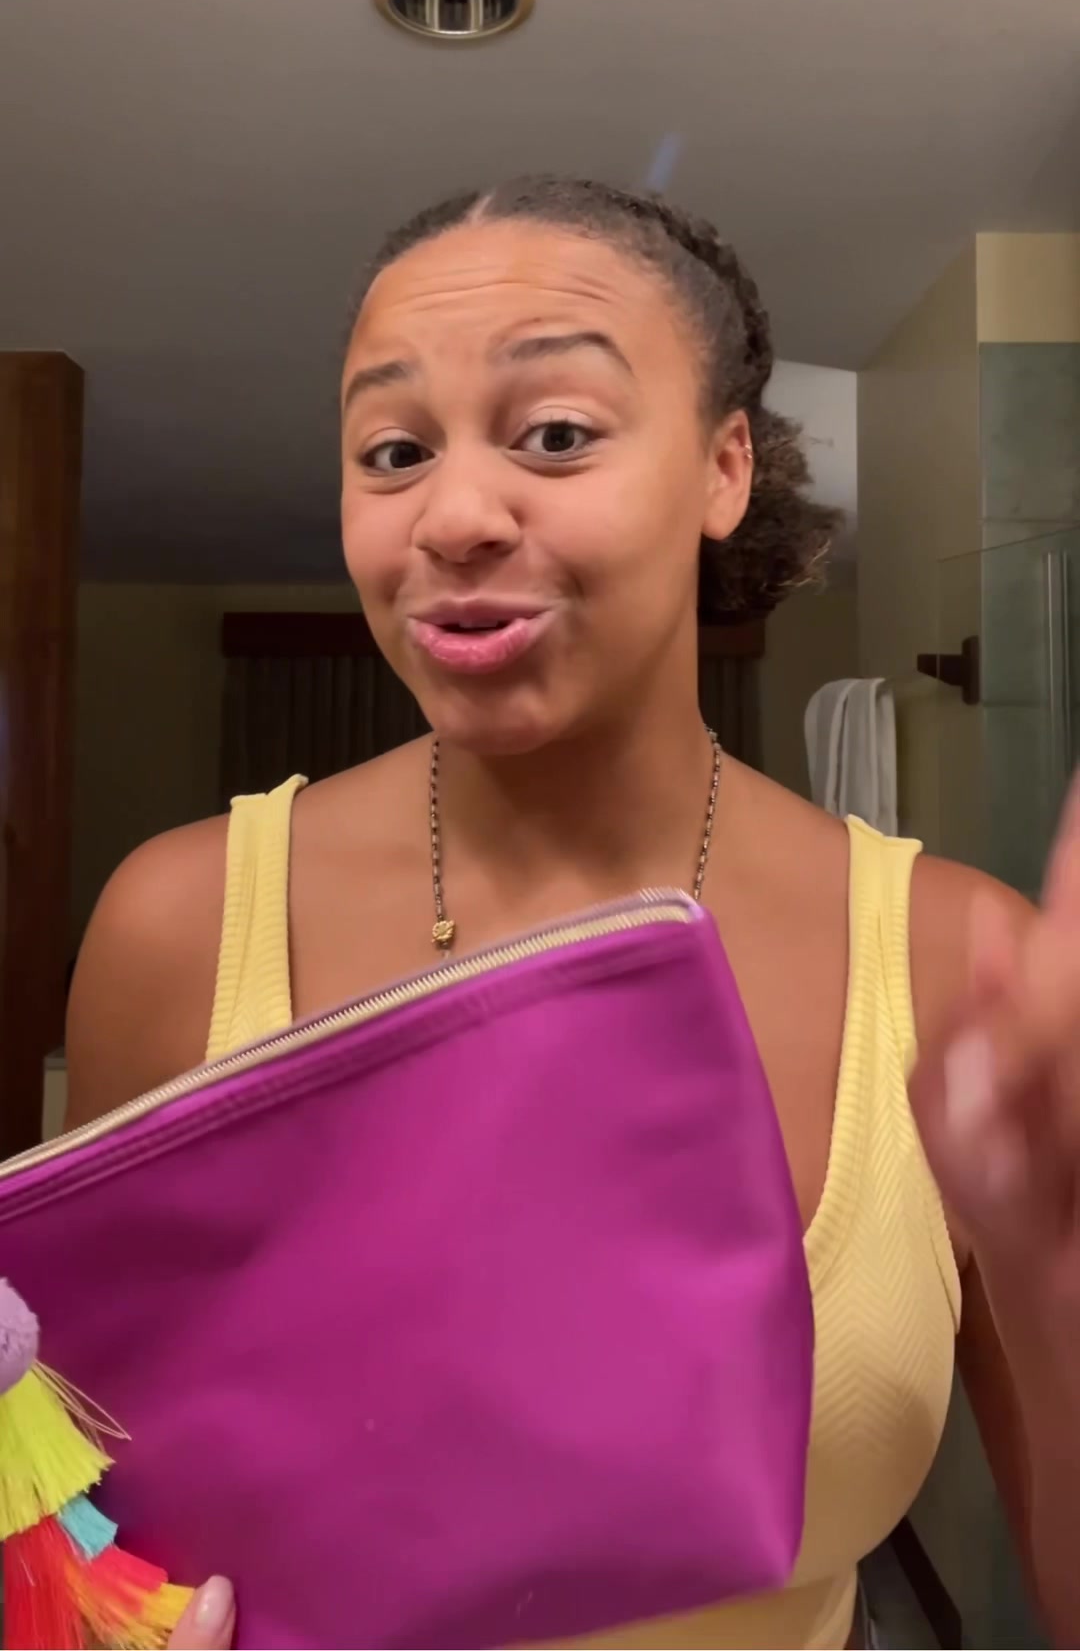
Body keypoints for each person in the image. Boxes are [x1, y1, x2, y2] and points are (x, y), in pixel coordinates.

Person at [67, 178, 1080, 1651]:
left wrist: (1053, 1270)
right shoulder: (179, 926)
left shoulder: (950, 961)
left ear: (724, 467)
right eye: (394, 451)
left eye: (555, 434)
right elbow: (80, 1518)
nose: (456, 517)